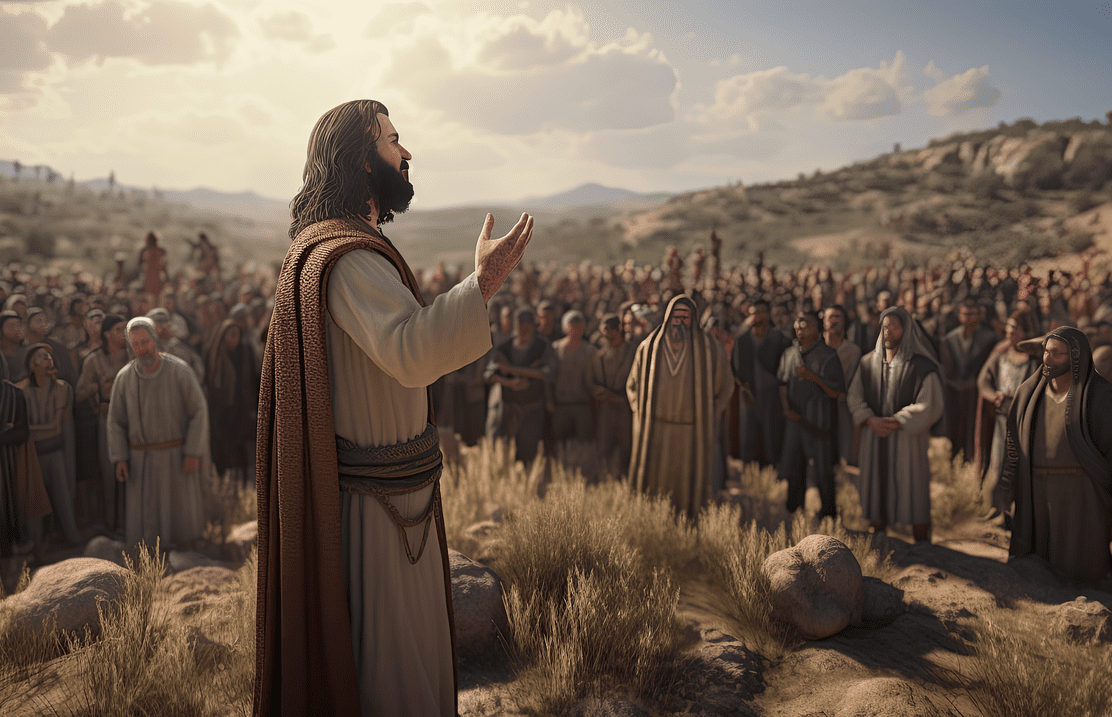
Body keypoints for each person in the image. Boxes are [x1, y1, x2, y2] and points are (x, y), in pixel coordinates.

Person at [254, 99, 533, 717]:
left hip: (387, 500)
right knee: (391, 667)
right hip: (375, 519)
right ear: (362, 161)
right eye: (392, 140)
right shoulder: (350, 258)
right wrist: (482, 284)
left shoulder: (335, 247)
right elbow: (411, 352)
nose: (406, 153)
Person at [1003, 327, 1112, 585]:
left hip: (1082, 492)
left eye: (1057, 354)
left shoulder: (1100, 396)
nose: (1047, 359)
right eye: (1046, 352)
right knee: (1039, 559)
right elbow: (1012, 440)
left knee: (1082, 564)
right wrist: (1007, 481)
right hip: (1036, 486)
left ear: (1076, 357)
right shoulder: (1028, 393)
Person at [107, 317, 208, 551]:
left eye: (145, 341)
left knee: (180, 522)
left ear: (155, 339)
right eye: (136, 344)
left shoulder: (179, 371)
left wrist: (193, 451)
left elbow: (199, 411)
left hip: (175, 456)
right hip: (140, 460)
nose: (142, 348)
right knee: (145, 528)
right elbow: (115, 421)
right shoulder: (124, 378)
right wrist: (120, 457)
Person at [627, 295, 733, 518]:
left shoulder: (710, 349)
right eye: (676, 317)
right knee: (655, 482)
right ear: (667, 318)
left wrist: (711, 413)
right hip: (655, 430)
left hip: (691, 431)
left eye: (685, 318)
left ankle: (686, 520)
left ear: (693, 320)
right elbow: (632, 386)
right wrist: (641, 413)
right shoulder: (648, 348)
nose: (680, 323)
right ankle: (652, 518)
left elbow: (725, 388)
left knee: (686, 483)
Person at [847, 306, 945, 543]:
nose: (889, 331)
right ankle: (878, 536)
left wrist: (897, 421)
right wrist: (870, 419)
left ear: (906, 330)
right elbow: (854, 396)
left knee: (912, 486)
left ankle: (922, 543)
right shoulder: (867, 363)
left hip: (907, 439)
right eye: (885, 326)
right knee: (875, 486)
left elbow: (929, 404)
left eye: (895, 326)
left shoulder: (922, 366)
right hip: (874, 436)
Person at [777, 311, 845, 519]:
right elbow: (782, 384)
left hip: (819, 422)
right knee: (794, 471)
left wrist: (813, 378)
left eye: (804, 324)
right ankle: (793, 515)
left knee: (824, 473)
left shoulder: (829, 356)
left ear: (816, 328)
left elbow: (837, 393)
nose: (799, 327)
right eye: (797, 323)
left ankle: (828, 518)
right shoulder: (789, 354)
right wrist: (786, 409)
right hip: (795, 422)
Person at [975, 310, 1040, 520]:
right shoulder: (1000, 356)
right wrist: (993, 396)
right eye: (1009, 327)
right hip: (1001, 422)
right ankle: (996, 508)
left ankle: (1013, 513)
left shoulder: (1034, 360)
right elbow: (983, 381)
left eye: (1015, 327)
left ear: (1025, 331)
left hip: (1024, 424)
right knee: (997, 462)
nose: (1009, 331)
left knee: (1018, 466)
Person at [16, 344, 80, 550]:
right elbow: (28, 428)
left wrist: (33, 430)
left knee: (63, 497)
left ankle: (73, 537)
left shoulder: (63, 388)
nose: (48, 360)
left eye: (49, 356)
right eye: (42, 357)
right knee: (34, 500)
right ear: (32, 364)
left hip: (55, 452)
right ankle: (35, 546)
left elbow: (56, 428)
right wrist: (38, 430)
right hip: (32, 455)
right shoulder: (21, 391)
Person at [75, 314, 129, 532]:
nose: (123, 333)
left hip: (132, 419)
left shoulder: (132, 355)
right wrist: (98, 386)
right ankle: (112, 523)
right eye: (118, 329)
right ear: (107, 334)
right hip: (106, 418)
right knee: (109, 473)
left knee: (133, 470)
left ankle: (131, 520)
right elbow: (78, 394)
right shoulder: (93, 360)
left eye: (125, 329)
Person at [484, 307, 555, 464]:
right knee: (503, 450)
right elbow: (489, 374)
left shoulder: (541, 346)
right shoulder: (505, 347)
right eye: (520, 326)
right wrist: (509, 382)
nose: (523, 331)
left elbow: (548, 372)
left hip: (532, 406)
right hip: (508, 407)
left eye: (527, 327)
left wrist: (515, 372)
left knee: (528, 451)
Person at [730, 300, 789, 467]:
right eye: (753, 312)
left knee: (772, 433)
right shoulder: (742, 340)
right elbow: (735, 368)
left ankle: (774, 469)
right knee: (747, 433)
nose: (757, 316)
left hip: (772, 391)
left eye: (761, 312)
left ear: (768, 314)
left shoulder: (779, 339)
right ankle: (747, 469)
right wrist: (744, 387)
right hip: (748, 390)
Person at [940, 299, 999, 462]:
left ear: (979, 316)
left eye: (973, 314)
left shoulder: (989, 339)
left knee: (975, 432)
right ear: (959, 315)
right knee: (955, 431)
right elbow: (947, 367)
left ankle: (972, 462)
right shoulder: (950, 339)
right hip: (954, 392)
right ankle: (954, 461)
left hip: (976, 393)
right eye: (965, 314)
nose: (969, 318)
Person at [591, 313, 635, 473]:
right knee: (604, 447)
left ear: (619, 330)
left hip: (627, 407)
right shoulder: (599, 354)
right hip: (606, 408)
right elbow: (592, 380)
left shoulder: (632, 352)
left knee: (627, 447)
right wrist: (596, 390)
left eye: (610, 331)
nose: (607, 335)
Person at [550, 310, 596, 447]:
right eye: (572, 326)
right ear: (566, 328)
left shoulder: (590, 351)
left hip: (581, 405)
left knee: (583, 445)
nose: (576, 330)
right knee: (558, 444)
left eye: (579, 326)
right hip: (560, 405)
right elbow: (550, 377)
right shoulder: (556, 349)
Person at [823, 304, 862, 465]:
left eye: (838, 317)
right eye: (830, 317)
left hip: (843, 405)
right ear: (824, 321)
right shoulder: (813, 347)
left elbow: (854, 380)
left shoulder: (853, 351)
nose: (834, 321)